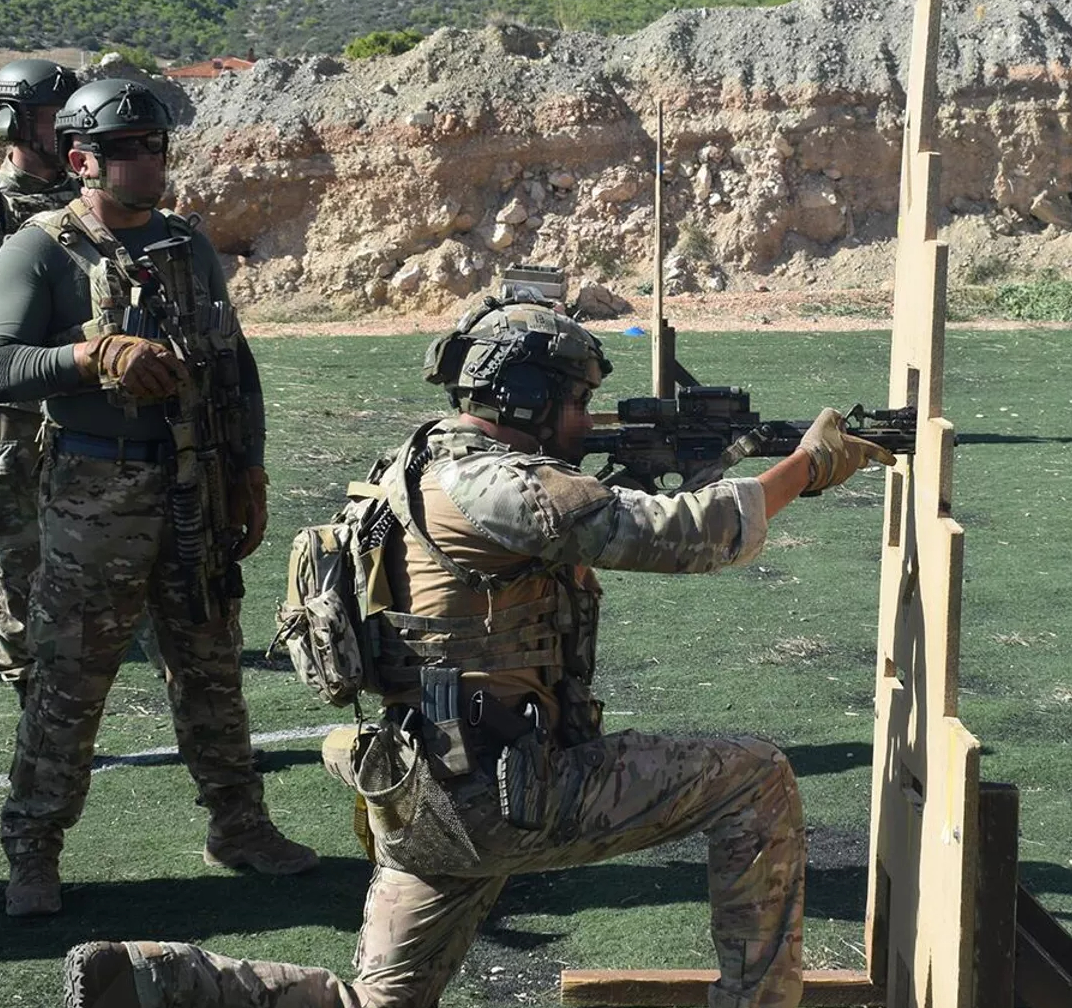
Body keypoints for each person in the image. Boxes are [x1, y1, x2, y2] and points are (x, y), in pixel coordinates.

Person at [59, 299, 896, 1007]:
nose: (588, 420)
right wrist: (803, 470)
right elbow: (687, 534)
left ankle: (160, 978)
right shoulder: (501, 487)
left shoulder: (417, 463)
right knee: (757, 777)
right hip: (511, 794)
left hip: (423, 792)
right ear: (527, 397)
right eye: (576, 402)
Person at [0, 78, 317, 918]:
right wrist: (94, 356)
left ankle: (239, 826)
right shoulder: (41, 248)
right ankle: (33, 850)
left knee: (210, 667)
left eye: (156, 145)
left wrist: (249, 469)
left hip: (192, 482)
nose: (147, 160)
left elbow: (233, 364)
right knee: (70, 678)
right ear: (82, 159)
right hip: (94, 491)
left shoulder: (185, 243)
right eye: (127, 148)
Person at [0, 58, 164, 703]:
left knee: (144, 550)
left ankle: (190, 699)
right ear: (15, 121)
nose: (67, 126)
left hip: (98, 406)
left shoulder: (102, 196)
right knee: (19, 560)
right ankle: (31, 697)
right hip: (17, 411)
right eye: (51, 116)